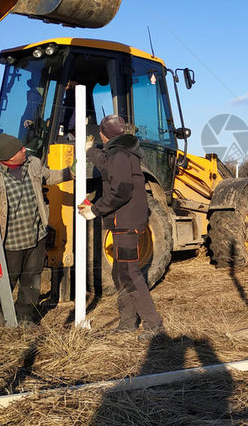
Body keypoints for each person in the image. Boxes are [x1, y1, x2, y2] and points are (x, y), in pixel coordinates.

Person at [0, 133, 72, 327]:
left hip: (36, 233)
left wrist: (72, 171)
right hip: (11, 238)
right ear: (8, 157)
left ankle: (26, 315)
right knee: (8, 276)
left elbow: (50, 176)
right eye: (20, 149)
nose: (25, 149)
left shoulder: (32, 163)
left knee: (32, 276)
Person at [78, 114, 164, 339]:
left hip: (125, 224)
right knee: (120, 272)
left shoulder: (118, 155)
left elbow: (121, 189)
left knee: (129, 273)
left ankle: (153, 323)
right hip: (124, 222)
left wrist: (94, 210)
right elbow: (107, 164)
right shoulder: (122, 152)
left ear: (103, 135)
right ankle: (127, 322)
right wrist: (91, 151)